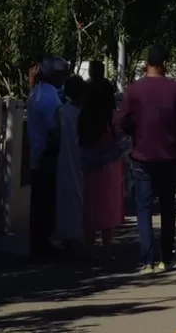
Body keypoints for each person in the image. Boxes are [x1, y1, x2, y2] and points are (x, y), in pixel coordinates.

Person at [117, 45, 176, 273]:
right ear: (164, 64)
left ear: (146, 64)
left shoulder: (134, 90)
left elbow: (121, 122)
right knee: (168, 208)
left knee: (144, 208)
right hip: (169, 156)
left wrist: (135, 131)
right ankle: (165, 258)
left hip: (142, 155)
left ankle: (147, 260)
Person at [77, 73, 126, 255]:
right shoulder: (112, 116)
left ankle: (88, 246)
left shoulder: (83, 116)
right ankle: (106, 247)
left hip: (88, 167)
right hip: (110, 167)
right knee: (108, 208)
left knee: (90, 207)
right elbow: (123, 140)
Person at [26, 58, 65, 258]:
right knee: (45, 204)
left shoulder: (38, 93)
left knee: (40, 204)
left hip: (37, 155)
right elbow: (54, 131)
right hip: (45, 157)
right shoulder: (49, 98)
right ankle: (42, 246)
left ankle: (40, 244)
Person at [54, 74, 85, 248]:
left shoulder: (62, 111)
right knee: (80, 193)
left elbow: (56, 134)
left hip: (65, 156)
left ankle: (67, 234)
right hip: (81, 156)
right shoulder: (85, 113)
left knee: (65, 195)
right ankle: (79, 233)